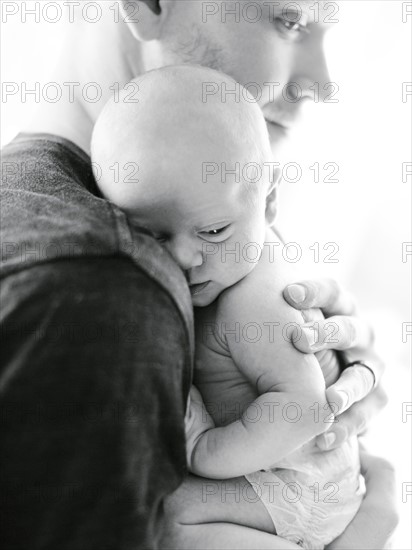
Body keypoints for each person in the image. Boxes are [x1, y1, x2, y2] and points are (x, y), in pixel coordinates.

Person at [0, 1, 397, 548]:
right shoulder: (106, 289)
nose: (323, 85)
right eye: (290, 19)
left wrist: (332, 373)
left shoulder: (54, 230)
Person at [91, 64, 368, 549]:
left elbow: (305, 407)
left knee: (174, 518)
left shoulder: (254, 296)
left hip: (306, 483)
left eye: (214, 231)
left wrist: (207, 451)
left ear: (269, 204)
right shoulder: (219, 264)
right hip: (278, 472)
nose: (183, 257)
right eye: (154, 235)